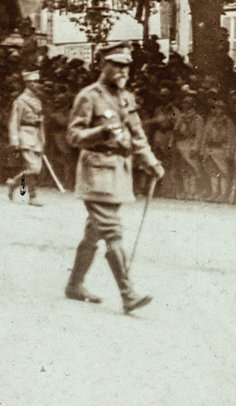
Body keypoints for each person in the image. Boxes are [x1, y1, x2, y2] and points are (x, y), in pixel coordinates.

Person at [64, 43, 163, 314]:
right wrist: (100, 133)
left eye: (126, 66)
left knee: (94, 232)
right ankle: (128, 293)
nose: (122, 71)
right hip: (95, 172)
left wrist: (151, 162)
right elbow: (73, 136)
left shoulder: (125, 98)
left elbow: (138, 134)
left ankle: (74, 285)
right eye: (116, 65)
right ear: (102, 65)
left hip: (119, 172)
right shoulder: (89, 96)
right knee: (112, 231)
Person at [5, 70, 47, 206]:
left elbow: (40, 121)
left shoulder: (37, 100)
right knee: (33, 168)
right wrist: (15, 139)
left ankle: (13, 183)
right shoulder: (21, 100)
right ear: (27, 83)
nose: (35, 84)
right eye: (32, 82)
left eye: (37, 82)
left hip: (36, 135)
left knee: (36, 169)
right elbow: (14, 121)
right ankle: (32, 196)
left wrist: (43, 137)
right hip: (25, 134)